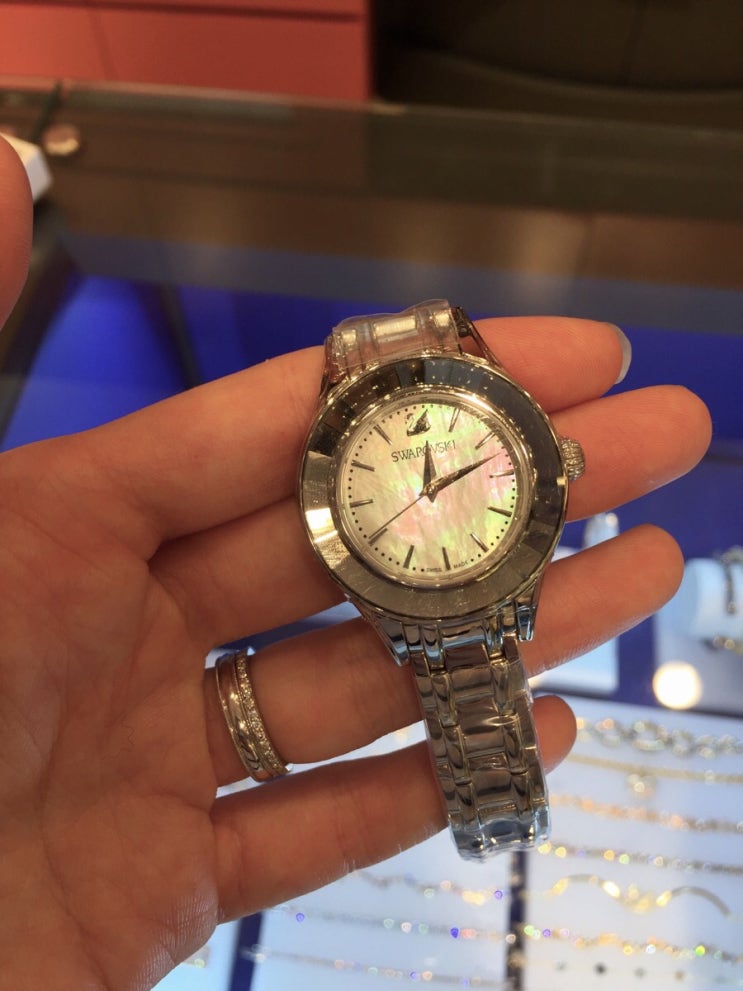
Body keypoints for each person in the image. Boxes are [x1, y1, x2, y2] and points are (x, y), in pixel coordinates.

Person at [0, 136, 711, 991]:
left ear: (550, 465)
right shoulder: (356, 495)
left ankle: (499, 812)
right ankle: (494, 815)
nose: (432, 482)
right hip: (419, 599)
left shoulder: (495, 456)